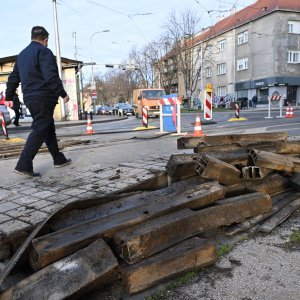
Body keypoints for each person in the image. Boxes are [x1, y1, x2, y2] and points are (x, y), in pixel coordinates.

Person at [5, 26, 71, 178]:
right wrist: (62, 93)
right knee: (40, 128)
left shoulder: (21, 55)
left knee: (47, 127)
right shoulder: (44, 52)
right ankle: (24, 164)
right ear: (45, 40)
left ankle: (58, 158)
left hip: (29, 98)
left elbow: (13, 78)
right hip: (43, 97)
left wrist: (9, 97)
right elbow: (51, 76)